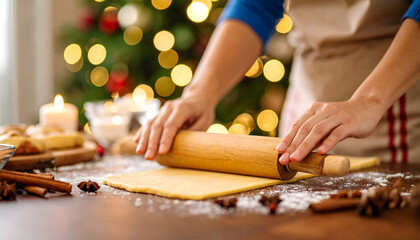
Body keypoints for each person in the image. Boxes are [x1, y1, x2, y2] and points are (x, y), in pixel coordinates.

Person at [135, 0, 420, 164]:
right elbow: (255, 5)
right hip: (304, 113)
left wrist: (369, 101)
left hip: (397, 115)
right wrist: (201, 93)